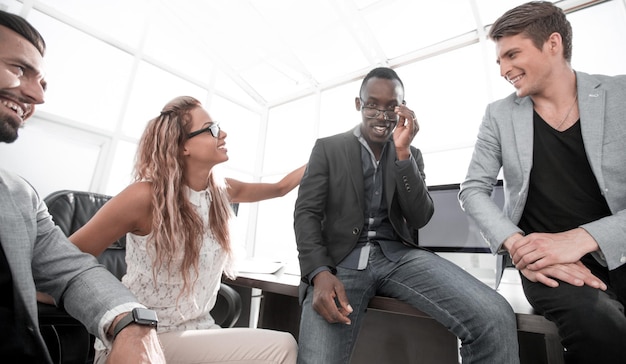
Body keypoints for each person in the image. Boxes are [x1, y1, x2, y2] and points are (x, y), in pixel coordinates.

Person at [294, 66, 520, 364]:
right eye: (372, 105)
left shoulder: (410, 154)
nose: (382, 115)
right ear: (358, 104)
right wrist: (319, 273)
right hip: (341, 265)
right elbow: (306, 213)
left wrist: (403, 155)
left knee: (494, 315)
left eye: (392, 107)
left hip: (398, 259)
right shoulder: (328, 148)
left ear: (403, 109)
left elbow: (420, 217)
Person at [68, 95, 302, 364]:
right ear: (182, 147)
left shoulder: (220, 191)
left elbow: (280, 188)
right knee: (283, 347)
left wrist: (322, 157)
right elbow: (67, 260)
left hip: (199, 331)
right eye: (212, 129)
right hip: (142, 338)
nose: (223, 133)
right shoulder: (144, 197)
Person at [459, 2, 626, 363]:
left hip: (620, 247)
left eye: (512, 54)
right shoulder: (499, 115)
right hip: (545, 263)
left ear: (553, 43)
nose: (504, 69)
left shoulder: (621, 95)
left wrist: (584, 238)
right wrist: (518, 245)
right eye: (499, 61)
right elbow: (473, 189)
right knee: (601, 328)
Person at [0, 9, 165, 363]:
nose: (37, 96)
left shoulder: (20, 196)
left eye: (42, 82)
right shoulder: (143, 195)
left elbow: (74, 271)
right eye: (18, 69)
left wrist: (134, 322)